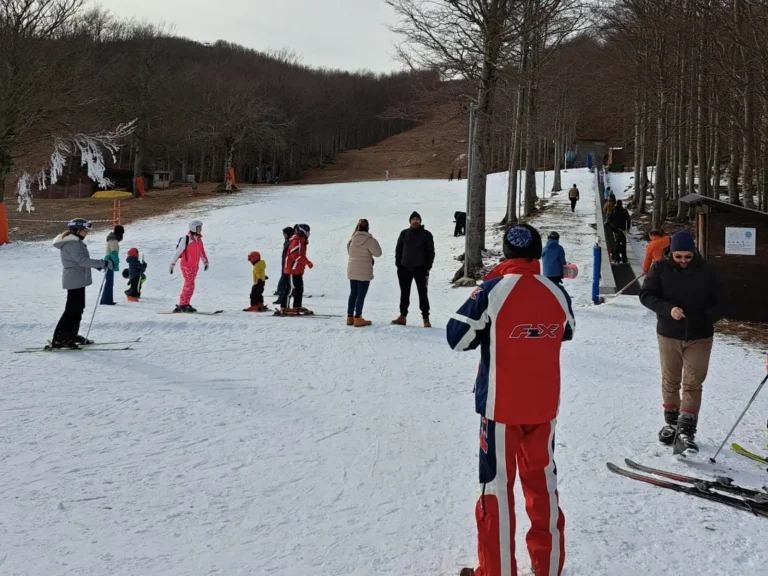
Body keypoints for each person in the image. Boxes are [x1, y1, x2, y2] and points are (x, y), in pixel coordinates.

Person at [447, 224, 574, 576]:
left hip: (501, 408)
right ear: (538, 253)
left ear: (505, 253)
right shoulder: (556, 291)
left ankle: (497, 571)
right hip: (544, 406)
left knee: (496, 488)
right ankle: (547, 567)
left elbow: (456, 337)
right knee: (543, 485)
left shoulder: (492, 289)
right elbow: (567, 331)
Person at [639, 230, 722, 455]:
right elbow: (646, 295)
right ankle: (671, 423)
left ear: (694, 252)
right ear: (671, 253)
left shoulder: (707, 271)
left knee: (693, 382)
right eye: (679, 257)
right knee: (671, 380)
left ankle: (687, 430)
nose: (684, 261)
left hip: (699, 335)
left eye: (688, 256)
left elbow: (720, 302)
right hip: (669, 333)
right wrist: (667, 309)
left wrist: (704, 316)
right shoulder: (660, 268)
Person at [51, 218, 112, 349]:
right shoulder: (72, 244)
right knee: (72, 310)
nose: (86, 233)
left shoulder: (74, 242)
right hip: (74, 280)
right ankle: (60, 338)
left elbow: (81, 261)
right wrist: (103, 263)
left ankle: (71, 335)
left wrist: (98, 265)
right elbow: (83, 261)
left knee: (77, 309)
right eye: (85, 231)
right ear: (77, 230)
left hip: (77, 279)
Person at [392, 211, 435, 328]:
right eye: (413, 219)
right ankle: (403, 316)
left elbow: (431, 252)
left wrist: (427, 267)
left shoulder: (426, 234)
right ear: (410, 221)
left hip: (421, 270)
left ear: (420, 221)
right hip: (404, 269)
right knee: (404, 294)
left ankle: (426, 318)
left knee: (423, 294)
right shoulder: (404, 234)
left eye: (417, 219)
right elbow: (398, 250)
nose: (415, 221)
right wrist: (398, 265)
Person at [346, 218, 382, 327]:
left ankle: (349, 317)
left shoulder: (352, 239)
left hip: (352, 269)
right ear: (367, 227)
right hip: (364, 271)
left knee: (353, 293)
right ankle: (358, 318)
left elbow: (348, 250)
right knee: (361, 295)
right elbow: (378, 253)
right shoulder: (369, 240)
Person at [170, 220, 209, 313]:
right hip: (186, 265)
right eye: (199, 228)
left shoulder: (198, 240)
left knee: (190, 285)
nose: (201, 230)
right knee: (189, 284)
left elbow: (201, 252)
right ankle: (183, 304)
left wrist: (205, 262)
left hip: (195, 266)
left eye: (201, 228)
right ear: (193, 228)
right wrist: (172, 264)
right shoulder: (186, 239)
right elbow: (178, 252)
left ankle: (185, 303)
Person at [277, 224, 314, 315]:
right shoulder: (296, 241)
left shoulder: (302, 240)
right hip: (291, 270)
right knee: (290, 288)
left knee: (299, 288)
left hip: (296, 269)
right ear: (302, 231)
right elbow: (295, 255)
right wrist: (307, 262)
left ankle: (297, 306)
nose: (309, 234)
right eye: (307, 232)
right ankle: (284, 307)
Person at [100, 225, 124, 305]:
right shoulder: (114, 241)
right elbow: (113, 253)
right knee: (109, 282)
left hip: (108, 261)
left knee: (109, 282)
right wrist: (116, 261)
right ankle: (107, 300)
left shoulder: (111, 240)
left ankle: (105, 300)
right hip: (110, 262)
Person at [607, 199, 632, 264]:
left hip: (615, 230)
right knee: (623, 243)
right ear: (621, 204)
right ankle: (624, 258)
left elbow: (609, 220)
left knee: (616, 243)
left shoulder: (613, 211)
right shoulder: (624, 211)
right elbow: (628, 219)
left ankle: (616, 258)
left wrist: (612, 226)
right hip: (623, 230)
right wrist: (628, 227)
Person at [274, 226, 294, 304]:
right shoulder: (287, 241)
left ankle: (283, 297)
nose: (283, 235)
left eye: (284, 233)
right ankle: (281, 296)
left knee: (285, 281)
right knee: (283, 281)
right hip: (284, 264)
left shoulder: (291, 241)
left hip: (288, 265)